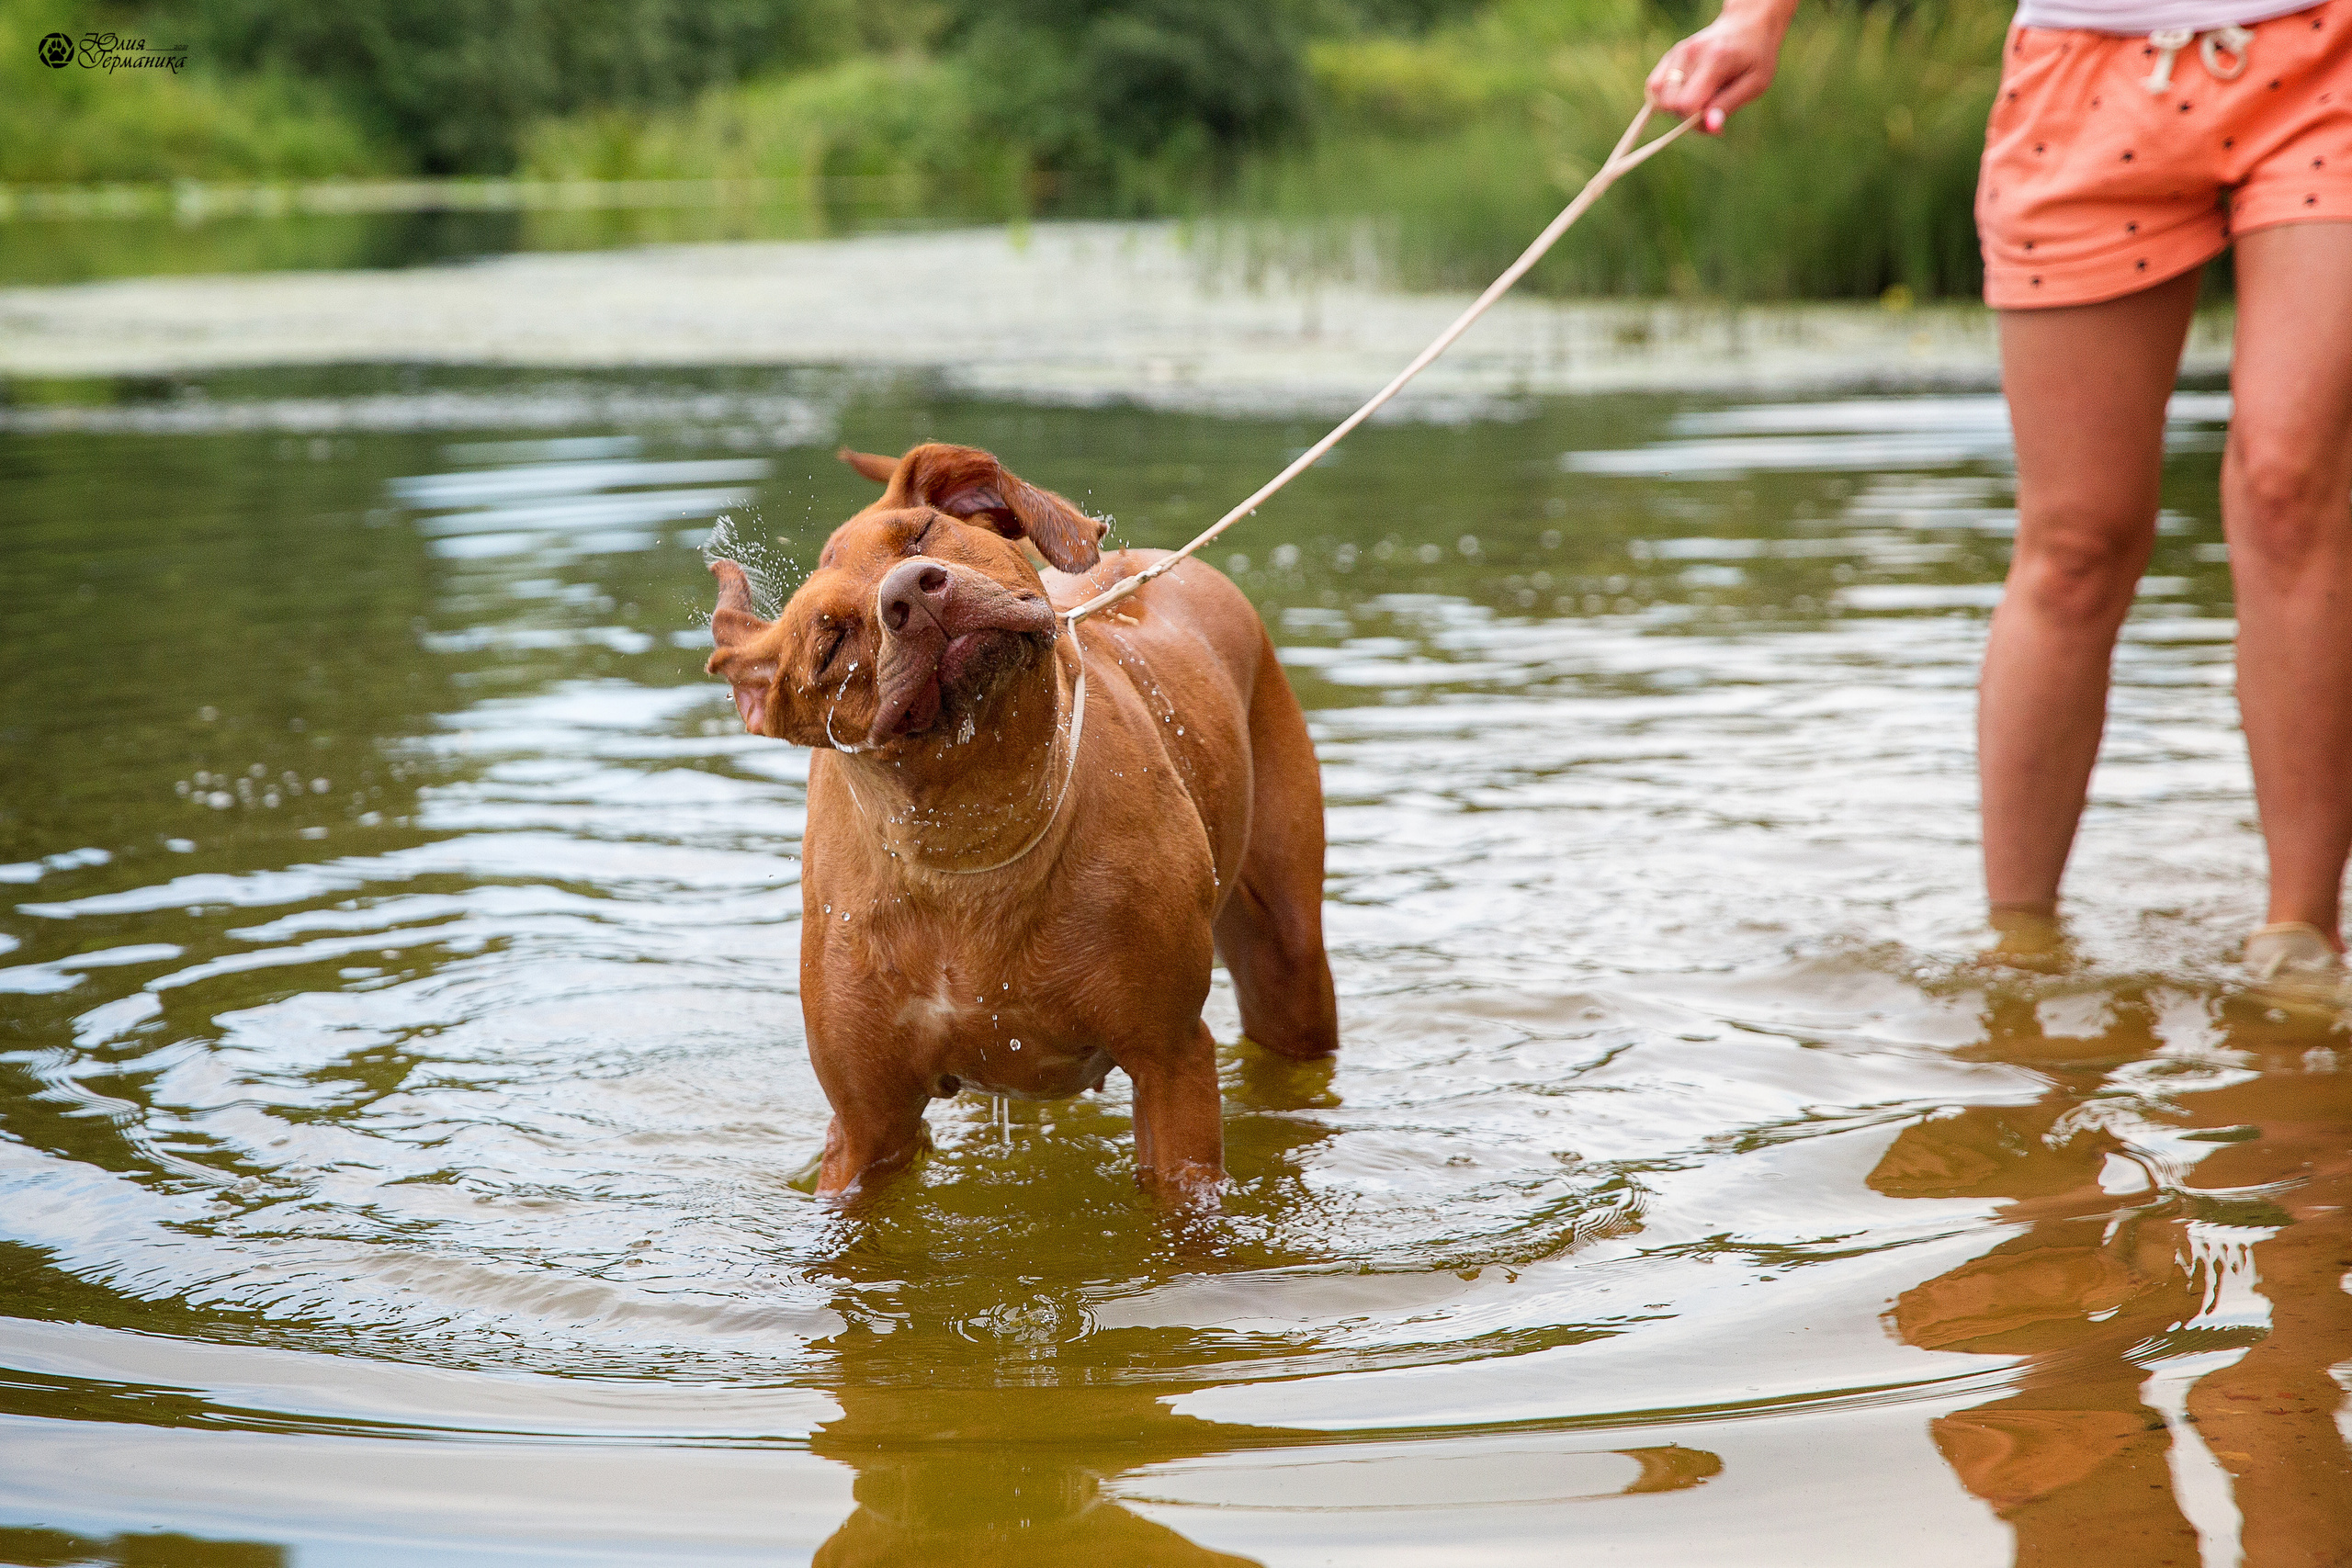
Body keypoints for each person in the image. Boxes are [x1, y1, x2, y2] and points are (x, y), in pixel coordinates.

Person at [1647, 0, 2352, 983]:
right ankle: (2019, 952)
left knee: (2287, 487)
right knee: (2075, 544)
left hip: (2328, 54)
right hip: (2080, 70)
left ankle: (2300, 943)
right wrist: (1752, 20)